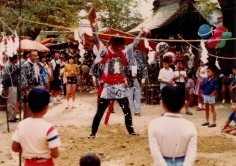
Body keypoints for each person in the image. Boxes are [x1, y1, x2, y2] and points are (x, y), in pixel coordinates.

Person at [88, 13, 137, 138]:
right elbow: (97, 39)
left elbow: (134, 45)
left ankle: (131, 130)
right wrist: (93, 27)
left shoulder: (123, 52)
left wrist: (141, 34)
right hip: (108, 86)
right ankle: (93, 132)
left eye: (121, 43)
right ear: (113, 42)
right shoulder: (105, 50)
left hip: (120, 85)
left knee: (126, 111)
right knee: (100, 111)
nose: (120, 46)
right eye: (117, 43)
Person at [148, 84, 197, 166]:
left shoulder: (154, 124)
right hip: (183, 162)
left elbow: (155, 153)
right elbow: (191, 154)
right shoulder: (190, 126)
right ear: (184, 104)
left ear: (162, 104)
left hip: (162, 162)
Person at [11, 87, 61, 166]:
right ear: (47, 107)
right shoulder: (49, 128)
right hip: (45, 163)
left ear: (28, 105)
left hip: (28, 163)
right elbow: (55, 154)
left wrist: (29, 152)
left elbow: (14, 147)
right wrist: (42, 153)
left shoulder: (21, 125)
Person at [125, 30, 148, 116]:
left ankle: (137, 111)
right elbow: (123, 71)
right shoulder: (126, 61)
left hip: (137, 80)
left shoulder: (139, 61)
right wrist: (125, 81)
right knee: (129, 97)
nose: (135, 52)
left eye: (136, 51)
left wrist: (143, 79)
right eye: (134, 51)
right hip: (129, 80)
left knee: (137, 96)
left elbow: (144, 70)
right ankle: (129, 111)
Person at [21, 51, 42, 119]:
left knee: (36, 106)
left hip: (36, 87)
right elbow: (23, 78)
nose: (36, 57)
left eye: (37, 56)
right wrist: (26, 90)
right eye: (34, 56)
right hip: (29, 88)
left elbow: (38, 76)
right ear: (29, 56)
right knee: (28, 106)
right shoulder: (25, 65)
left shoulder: (36, 64)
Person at [2, 55, 19, 122]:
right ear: (14, 59)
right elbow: (6, 78)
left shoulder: (14, 65)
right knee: (11, 102)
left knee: (14, 102)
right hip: (10, 85)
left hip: (14, 84)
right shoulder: (8, 66)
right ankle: (10, 117)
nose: (17, 60)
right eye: (16, 58)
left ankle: (13, 116)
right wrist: (6, 88)